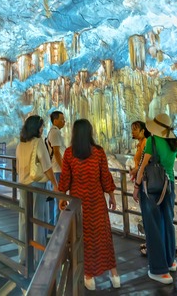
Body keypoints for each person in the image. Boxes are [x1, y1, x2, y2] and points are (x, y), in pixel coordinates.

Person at [133, 113, 177, 285]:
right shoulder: (173, 143)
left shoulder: (152, 141)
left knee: (153, 227)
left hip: (152, 188)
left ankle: (159, 270)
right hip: (170, 186)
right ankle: (170, 260)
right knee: (167, 223)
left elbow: (143, 167)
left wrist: (136, 188)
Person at [58, 119, 119, 291]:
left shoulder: (70, 153)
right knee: (103, 236)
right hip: (97, 201)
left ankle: (89, 276)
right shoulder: (98, 152)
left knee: (84, 237)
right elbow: (105, 176)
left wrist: (61, 197)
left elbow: (65, 179)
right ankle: (114, 275)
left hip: (79, 202)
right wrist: (112, 195)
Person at [16, 115, 57, 264]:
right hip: (36, 186)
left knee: (24, 219)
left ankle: (23, 255)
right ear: (36, 128)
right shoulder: (38, 142)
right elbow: (46, 166)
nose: (42, 129)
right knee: (38, 219)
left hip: (22, 185)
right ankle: (38, 256)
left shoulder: (21, 144)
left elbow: (17, 167)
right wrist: (55, 184)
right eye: (41, 127)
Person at [128, 120, 151, 256]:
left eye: (135, 129)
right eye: (132, 129)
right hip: (141, 180)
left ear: (143, 131)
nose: (133, 132)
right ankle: (149, 241)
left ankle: (151, 245)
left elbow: (144, 163)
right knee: (145, 213)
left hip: (145, 182)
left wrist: (135, 171)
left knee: (148, 214)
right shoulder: (140, 144)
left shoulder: (146, 143)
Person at [46, 111, 66, 225]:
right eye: (62, 119)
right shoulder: (55, 133)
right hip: (57, 170)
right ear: (55, 121)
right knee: (59, 200)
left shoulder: (54, 132)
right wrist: (64, 169)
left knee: (56, 199)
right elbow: (57, 152)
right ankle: (58, 228)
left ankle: (53, 226)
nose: (64, 122)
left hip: (56, 169)